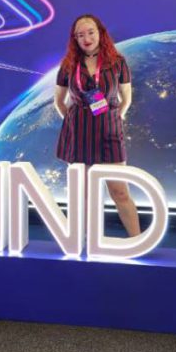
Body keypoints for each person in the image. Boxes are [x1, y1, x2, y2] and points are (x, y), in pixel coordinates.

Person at [53, 14, 140, 236]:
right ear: (75, 39)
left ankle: (138, 241)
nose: (86, 38)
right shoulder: (68, 65)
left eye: (91, 32)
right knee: (82, 196)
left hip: (109, 132)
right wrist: (72, 123)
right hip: (79, 134)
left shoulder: (118, 62)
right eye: (80, 35)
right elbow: (59, 101)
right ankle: (82, 243)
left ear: (100, 33)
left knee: (120, 192)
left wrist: (115, 117)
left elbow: (127, 98)